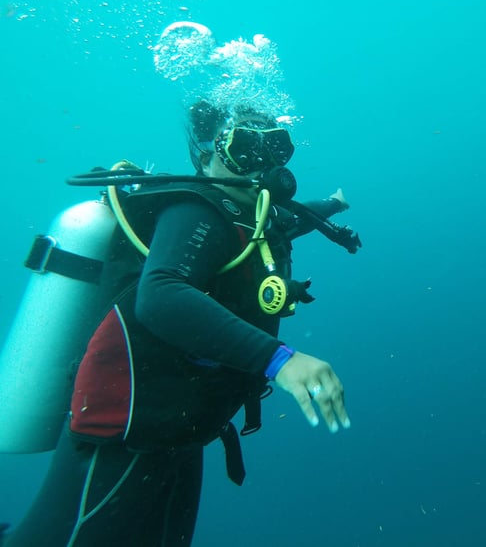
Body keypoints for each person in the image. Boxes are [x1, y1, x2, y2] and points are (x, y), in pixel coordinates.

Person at [1, 100, 359, 547]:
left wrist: (334, 203)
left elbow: (290, 220)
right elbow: (162, 295)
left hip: (180, 431)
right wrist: (279, 360)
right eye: (244, 147)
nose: (261, 162)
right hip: (126, 437)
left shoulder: (251, 218)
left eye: (274, 147)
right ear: (207, 152)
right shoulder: (197, 211)